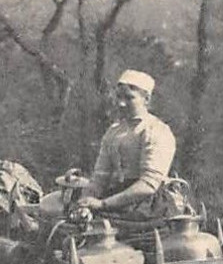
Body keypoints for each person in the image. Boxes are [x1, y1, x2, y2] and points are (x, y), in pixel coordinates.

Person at [73, 69, 178, 219]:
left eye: (129, 98)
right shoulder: (114, 132)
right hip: (117, 198)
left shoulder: (156, 130)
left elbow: (149, 185)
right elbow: (100, 177)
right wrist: (85, 202)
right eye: (118, 97)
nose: (121, 103)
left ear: (146, 99)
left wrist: (103, 204)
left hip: (147, 204)